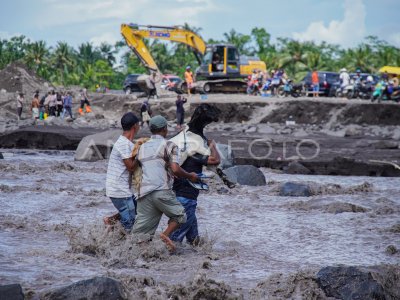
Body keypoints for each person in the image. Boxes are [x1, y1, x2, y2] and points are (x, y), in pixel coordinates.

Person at [131, 115, 199, 251]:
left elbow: (140, 167)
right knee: (180, 216)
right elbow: (175, 169)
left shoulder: (142, 147)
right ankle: (165, 234)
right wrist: (189, 175)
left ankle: (138, 256)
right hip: (161, 190)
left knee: (140, 237)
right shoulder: (169, 145)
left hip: (143, 193)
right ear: (165, 129)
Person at [170, 107, 221, 246]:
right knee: (174, 240)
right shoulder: (196, 149)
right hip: (187, 196)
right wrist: (212, 145)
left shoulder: (184, 140)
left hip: (181, 193)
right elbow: (216, 160)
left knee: (194, 240)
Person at [105, 112, 141, 232]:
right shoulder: (125, 144)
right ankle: (124, 247)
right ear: (134, 126)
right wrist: (140, 154)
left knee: (136, 206)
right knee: (130, 223)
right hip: (119, 190)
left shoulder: (125, 143)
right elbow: (131, 167)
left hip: (119, 188)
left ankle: (111, 220)